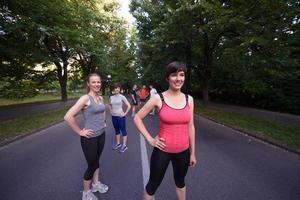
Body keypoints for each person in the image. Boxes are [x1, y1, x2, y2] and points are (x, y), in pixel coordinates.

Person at [134, 61, 197, 200]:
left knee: (180, 183)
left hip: (183, 152)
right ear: (167, 78)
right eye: (174, 75)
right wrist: (150, 139)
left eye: (181, 75)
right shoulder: (158, 98)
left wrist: (193, 153)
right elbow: (137, 118)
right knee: (152, 186)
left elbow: (191, 126)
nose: (179, 79)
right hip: (162, 152)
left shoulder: (189, 100)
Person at [64, 73, 109, 200]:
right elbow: (68, 116)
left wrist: (103, 122)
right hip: (89, 138)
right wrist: (80, 131)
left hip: (101, 135)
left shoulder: (100, 98)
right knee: (92, 165)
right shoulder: (85, 98)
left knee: (96, 161)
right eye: (93, 82)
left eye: (98, 82)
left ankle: (95, 184)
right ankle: (86, 192)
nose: (97, 84)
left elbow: (102, 111)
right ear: (88, 84)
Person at [109, 83, 131, 153]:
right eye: (115, 88)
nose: (116, 89)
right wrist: (110, 111)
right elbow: (109, 105)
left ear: (120, 89)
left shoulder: (122, 97)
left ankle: (124, 145)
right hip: (113, 116)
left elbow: (129, 106)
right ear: (114, 89)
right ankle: (118, 144)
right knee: (116, 130)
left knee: (123, 130)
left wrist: (124, 114)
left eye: (118, 88)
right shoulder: (111, 97)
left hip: (120, 116)